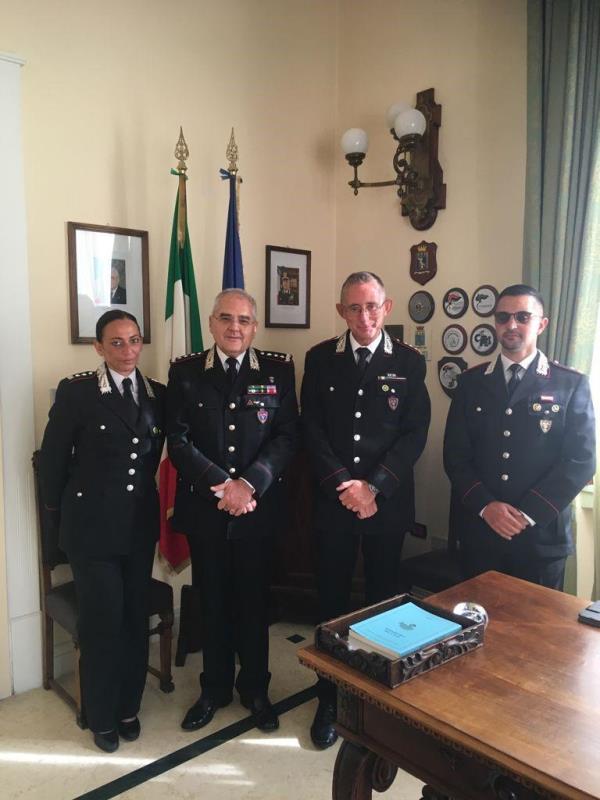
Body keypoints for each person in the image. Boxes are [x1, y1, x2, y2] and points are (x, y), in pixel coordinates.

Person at [301, 271, 431, 749]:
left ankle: (377, 700)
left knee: (382, 601)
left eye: (372, 306)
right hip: (335, 502)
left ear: (387, 307)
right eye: (354, 308)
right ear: (341, 312)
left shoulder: (410, 361)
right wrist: (345, 485)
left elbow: (414, 433)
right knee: (331, 602)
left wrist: (374, 487)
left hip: (386, 503)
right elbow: (310, 429)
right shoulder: (320, 359)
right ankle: (329, 698)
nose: (365, 316)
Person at [167, 288, 298, 733]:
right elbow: (178, 440)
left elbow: (285, 436)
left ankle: (256, 690)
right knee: (213, 601)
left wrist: (248, 483)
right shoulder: (185, 371)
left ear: (255, 326)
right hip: (208, 509)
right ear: (211, 322)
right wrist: (222, 486)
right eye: (226, 318)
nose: (235, 327)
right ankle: (214, 689)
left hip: (256, 509)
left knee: (253, 604)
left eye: (243, 320)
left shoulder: (279, 369)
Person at [39, 310, 165, 753]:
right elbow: (52, 462)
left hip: (137, 528)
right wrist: (59, 522)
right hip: (90, 531)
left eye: (134, 341)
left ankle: (128, 707)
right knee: (102, 623)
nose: (128, 351)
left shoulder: (157, 395)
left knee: (134, 619)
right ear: (98, 347)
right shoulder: (78, 393)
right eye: (116, 342)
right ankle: (101, 713)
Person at [444, 284, 595, 590]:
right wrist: (487, 507)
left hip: (539, 538)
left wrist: (526, 514)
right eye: (503, 317)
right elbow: (455, 455)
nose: (511, 325)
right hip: (480, 531)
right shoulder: (471, 383)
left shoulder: (570, 384)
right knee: (477, 625)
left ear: (541, 324)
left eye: (522, 317)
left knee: (535, 633)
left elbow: (581, 460)